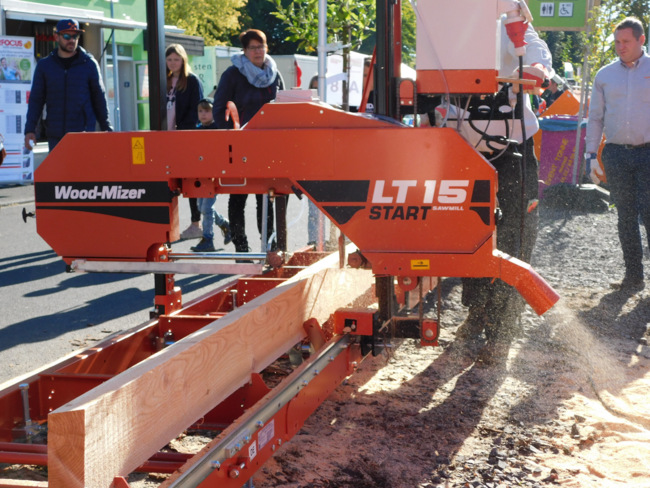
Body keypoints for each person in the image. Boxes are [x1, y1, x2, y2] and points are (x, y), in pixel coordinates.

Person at [456, 17, 552, 363]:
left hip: (515, 145)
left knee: (516, 235)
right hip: (466, 146)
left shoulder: (507, 13)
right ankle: (478, 310)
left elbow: (534, 45)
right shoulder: (447, 18)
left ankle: (503, 330)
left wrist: (538, 66)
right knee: (471, 233)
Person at [585, 17, 650, 292]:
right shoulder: (604, 75)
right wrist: (590, 155)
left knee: (649, 214)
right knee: (625, 216)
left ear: (641, 40)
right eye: (616, 42)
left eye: (625, 42)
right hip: (615, 154)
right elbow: (595, 117)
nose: (619, 47)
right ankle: (633, 277)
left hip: (648, 154)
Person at [213, 29, 285, 255]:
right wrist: (231, 139)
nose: (258, 51)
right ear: (244, 51)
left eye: (261, 46)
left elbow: (283, 106)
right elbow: (218, 110)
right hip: (240, 145)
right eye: (252, 47)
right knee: (238, 197)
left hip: (269, 146)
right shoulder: (233, 75)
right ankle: (242, 248)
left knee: (267, 197)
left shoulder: (274, 74)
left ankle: (270, 246)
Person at [24, 19, 112, 151]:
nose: (72, 39)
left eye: (75, 36)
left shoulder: (89, 64)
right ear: (56, 37)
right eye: (66, 36)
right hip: (55, 136)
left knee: (83, 171)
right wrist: (30, 129)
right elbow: (36, 100)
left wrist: (106, 128)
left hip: (83, 134)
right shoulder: (45, 66)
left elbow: (99, 97)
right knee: (58, 172)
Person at [165, 43, 205, 240]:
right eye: (170, 59)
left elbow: (196, 112)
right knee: (170, 182)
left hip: (184, 138)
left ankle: (196, 224)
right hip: (165, 138)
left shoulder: (191, 81)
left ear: (183, 60)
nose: (173, 63)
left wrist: (185, 134)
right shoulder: (162, 80)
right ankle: (220, 223)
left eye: (176, 59)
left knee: (190, 182)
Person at [191, 97, 232, 252]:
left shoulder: (217, 128)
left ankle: (208, 239)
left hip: (213, 174)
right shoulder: (197, 129)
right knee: (201, 207)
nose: (203, 114)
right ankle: (224, 223)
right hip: (201, 174)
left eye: (207, 111)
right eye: (200, 111)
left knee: (206, 208)